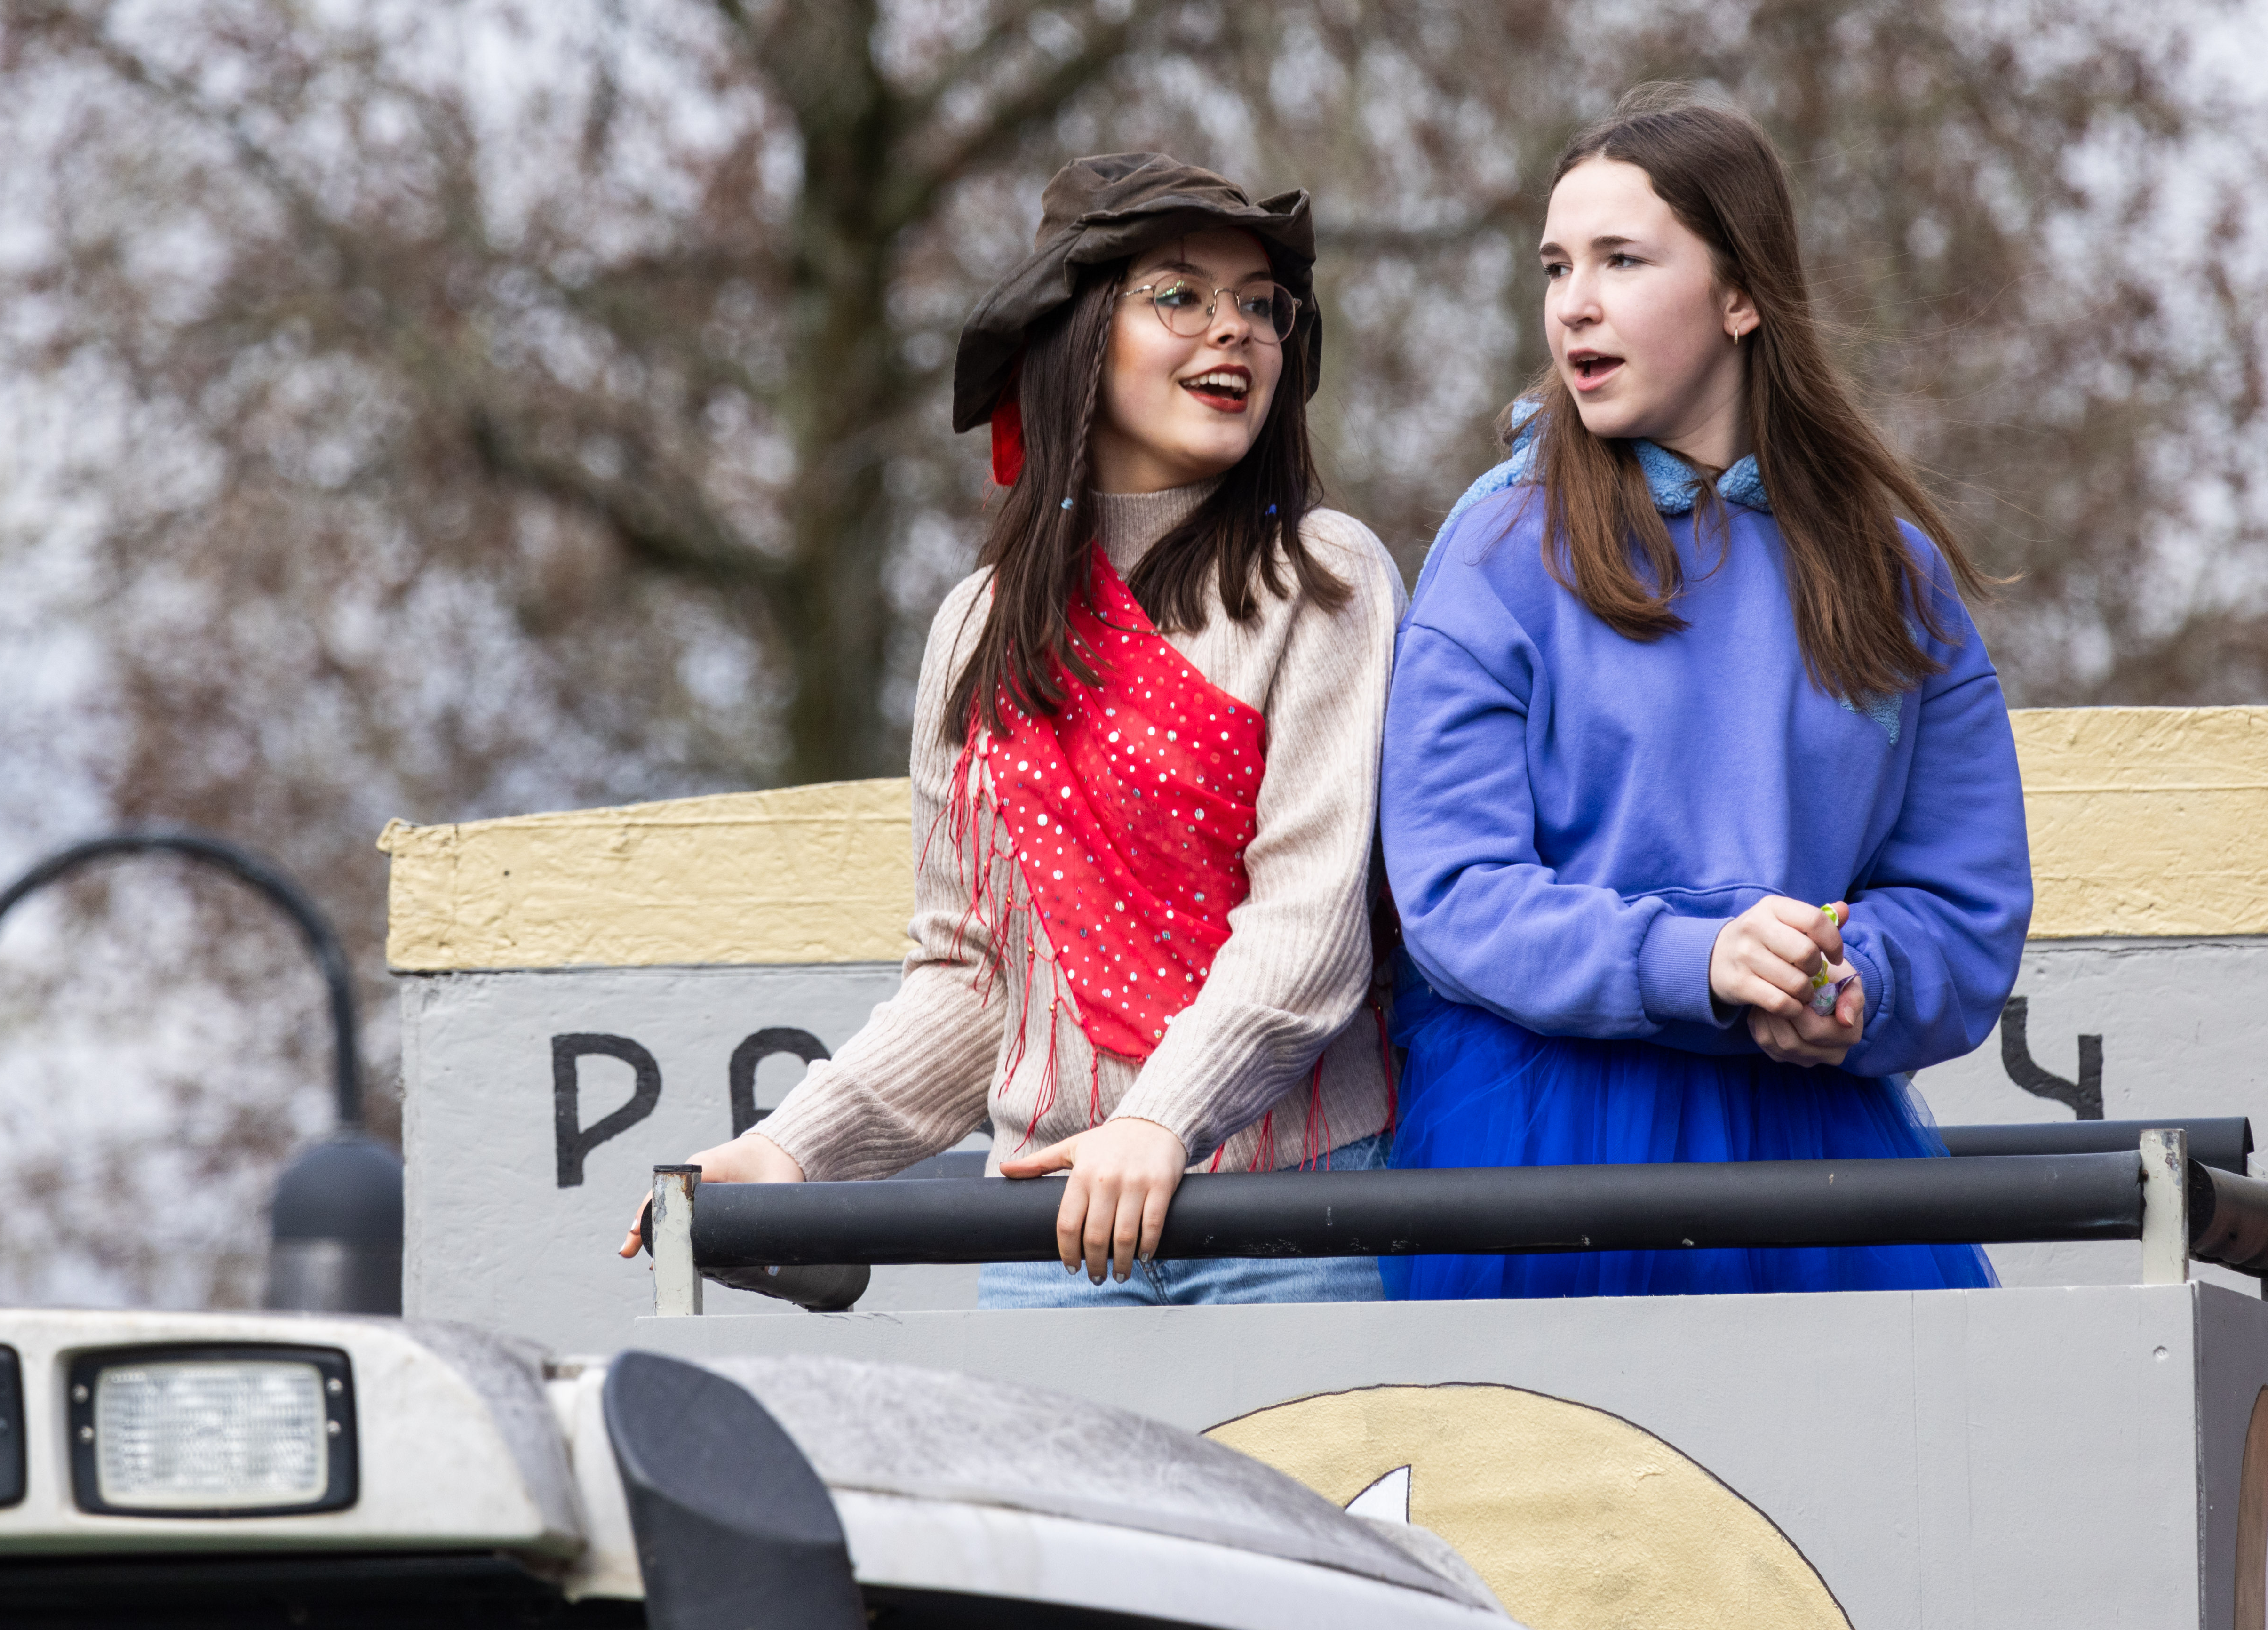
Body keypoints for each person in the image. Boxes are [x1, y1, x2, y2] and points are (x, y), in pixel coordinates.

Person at [621, 152, 1407, 1306]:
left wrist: (1156, 1122)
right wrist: (792, 1147)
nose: (1233, 328)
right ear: (1075, 338)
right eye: (1179, 295)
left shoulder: (1324, 577)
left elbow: (1309, 926)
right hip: (1048, 1233)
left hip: (1289, 1222)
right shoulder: (978, 626)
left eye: (1259, 303)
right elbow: (974, 976)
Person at [1378, 87, 2031, 1299]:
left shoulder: (1892, 573)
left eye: (1621, 260)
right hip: (1544, 1140)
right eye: (1555, 267)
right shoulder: (1494, 548)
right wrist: (1697, 958)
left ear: (1740, 294)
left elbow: (1964, 904)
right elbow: (1452, 891)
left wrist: (1852, 981)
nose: (1573, 303)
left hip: (1812, 1142)